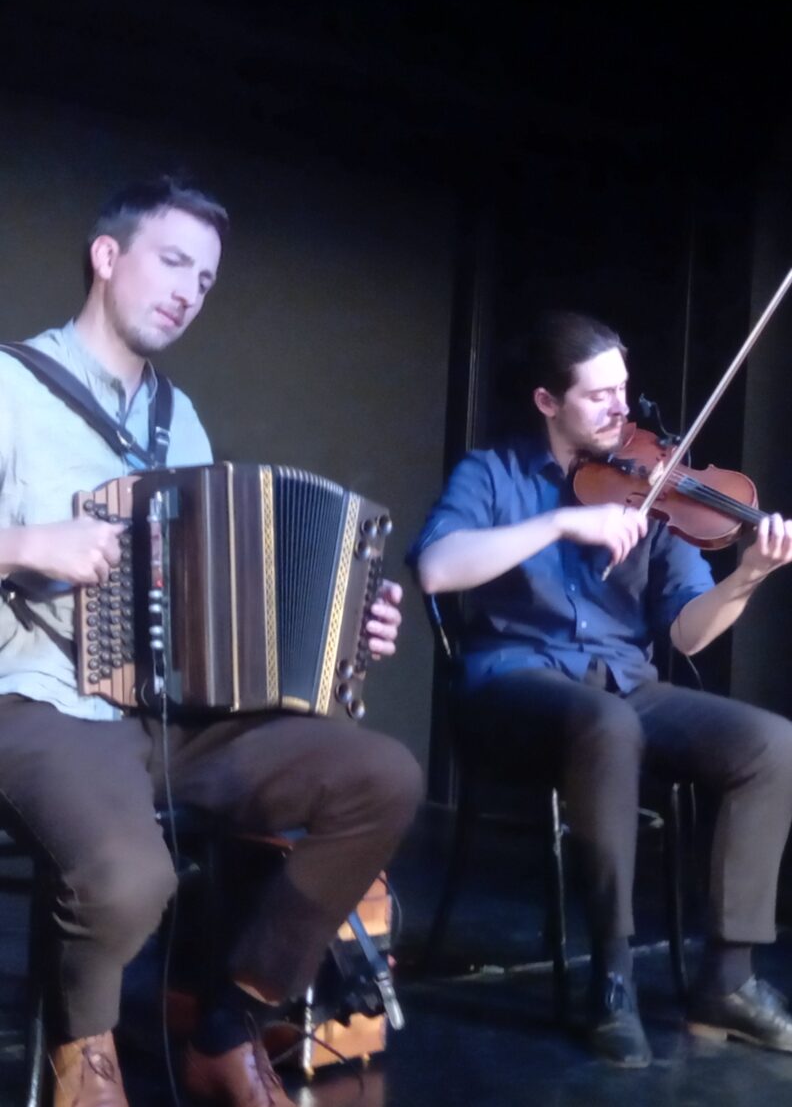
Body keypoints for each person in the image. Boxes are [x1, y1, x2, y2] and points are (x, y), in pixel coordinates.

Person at [0, 178, 423, 1107]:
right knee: (129, 877)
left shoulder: (175, 420)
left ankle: (227, 1025)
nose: (191, 289)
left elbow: (215, 584)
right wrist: (27, 544)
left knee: (380, 775)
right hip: (41, 699)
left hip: (174, 710)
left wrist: (349, 622)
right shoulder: (11, 387)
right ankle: (85, 1051)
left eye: (207, 277)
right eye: (174, 261)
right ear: (108, 258)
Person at [410, 310, 792, 1068]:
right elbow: (436, 567)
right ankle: (611, 978)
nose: (623, 412)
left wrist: (747, 577)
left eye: (625, 392)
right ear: (548, 402)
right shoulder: (493, 474)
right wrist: (558, 526)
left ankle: (727, 981)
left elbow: (686, 633)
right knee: (607, 725)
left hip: (624, 684)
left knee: (771, 744)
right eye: (598, 397)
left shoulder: (652, 489)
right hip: (514, 683)